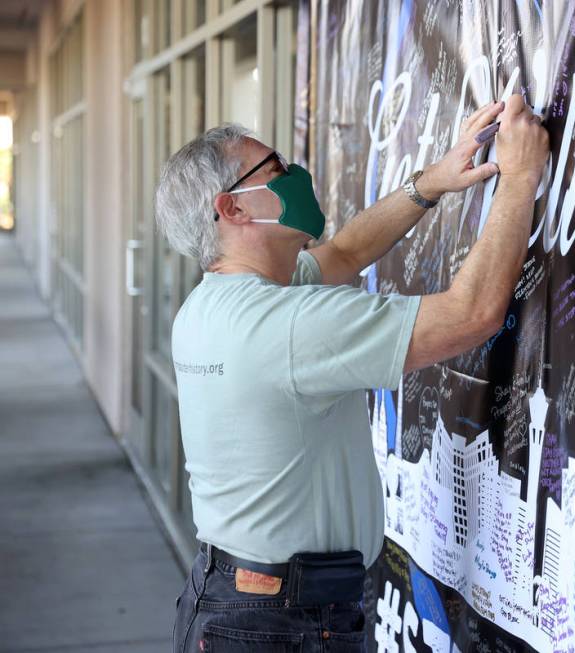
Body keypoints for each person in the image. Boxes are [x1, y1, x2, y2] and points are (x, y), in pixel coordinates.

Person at [154, 95, 549, 652]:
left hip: (238, 603)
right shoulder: (284, 325)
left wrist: (430, 184)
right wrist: (522, 174)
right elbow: (472, 314)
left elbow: (344, 251)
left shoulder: (211, 306)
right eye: (276, 171)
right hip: (279, 622)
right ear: (233, 210)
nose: (295, 176)